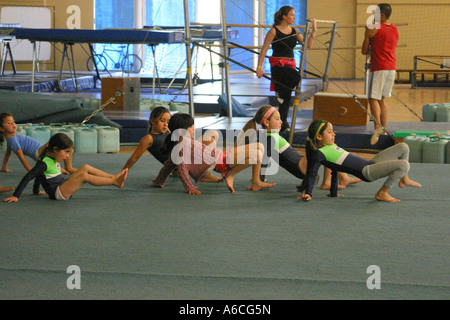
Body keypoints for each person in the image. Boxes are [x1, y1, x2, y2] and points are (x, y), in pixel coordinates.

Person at [237, 105, 361, 189]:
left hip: (302, 165)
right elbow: (264, 157)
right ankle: (330, 181)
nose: (281, 122)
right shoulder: (270, 138)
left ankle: (341, 178)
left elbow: (265, 158)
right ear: (267, 123)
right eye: (277, 119)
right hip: (302, 168)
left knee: (328, 146)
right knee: (328, 146)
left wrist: (260, 178)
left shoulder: (268, 136)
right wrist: (257, 180)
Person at [297, 120, 421, 203]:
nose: (333, 134)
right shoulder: (319, 153)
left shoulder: (330, 146)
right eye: (329, 132)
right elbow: (312, 173)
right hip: (367, 172)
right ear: (319, 137)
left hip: (370, 163)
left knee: (403, 146)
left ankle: (404, 179)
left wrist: (333, 193)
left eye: (333, 131)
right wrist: (309, 193)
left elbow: (335, 169)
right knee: (403, 165)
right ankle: (382, 193)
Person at [152, 113, 276, 194]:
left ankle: (255, 182)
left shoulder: (181, 143)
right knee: (258, 153)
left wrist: (159, 181)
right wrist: (190, 187)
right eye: (191, 127)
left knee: (259, 148)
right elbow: (181, 168)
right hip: (220, 163)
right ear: (181, 131)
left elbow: (168, 166)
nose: (193, 129)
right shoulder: (182, 145)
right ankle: (233, 175)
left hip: (219, 157)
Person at [3, 133, 128, 203]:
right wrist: (16, 195)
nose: (68, 156)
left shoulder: (52, 158)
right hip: (59, 193)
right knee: (84, 176)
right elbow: (29, 176)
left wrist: (36, 192)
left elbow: (40, 177)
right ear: (56, 149)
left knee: (85, 167)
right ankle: (114, 182)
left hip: (63, 185)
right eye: (66, 152)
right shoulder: (43, 163)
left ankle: (113, 176)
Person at [256, 6, 317, 132]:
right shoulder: (274, 31)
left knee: (286, 99)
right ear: (284, 17)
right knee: (296, 77)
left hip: (290, 65)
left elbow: (308, 45)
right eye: (292, 15)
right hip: (278, 66)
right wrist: (259, 67)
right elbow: (264, 50)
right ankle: (280, 93)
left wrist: (314, 31)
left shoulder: (294, 31)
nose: (294, 17)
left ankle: (283, 124)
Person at [122, 106, 221, 182]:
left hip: (184, 156)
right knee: (211, 141)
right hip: (181, 163)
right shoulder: (148, 138)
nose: (165, 124)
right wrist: (123, 173)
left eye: (168, 122)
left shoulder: (167, 131)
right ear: (152, 120)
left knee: (212, 134)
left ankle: (208, 168)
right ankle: (206, 175)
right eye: (162, 121)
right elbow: (134, 157)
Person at [361, 3, 399, 145]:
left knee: (372, 98)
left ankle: (377, 127)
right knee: (382, 99)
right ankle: (383, 127)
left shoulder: (374, 29)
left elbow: (364, 50)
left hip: (379, 67)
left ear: (381, 15)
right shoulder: (395, 29)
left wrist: (366, 35)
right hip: (392, 67)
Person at [0, 113, 77, 174]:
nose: (13, 125)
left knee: (65, 143)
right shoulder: (12, 140)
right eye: (9, 123)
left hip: (41, 150)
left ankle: (64, 168)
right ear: (2, 129)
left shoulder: (13, 137)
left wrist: (4, 167)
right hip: (39, 153)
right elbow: (22, 158)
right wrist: (31, 172)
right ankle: (68, 167)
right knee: (61, 140)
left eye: (13, 122)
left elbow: (8, 153)